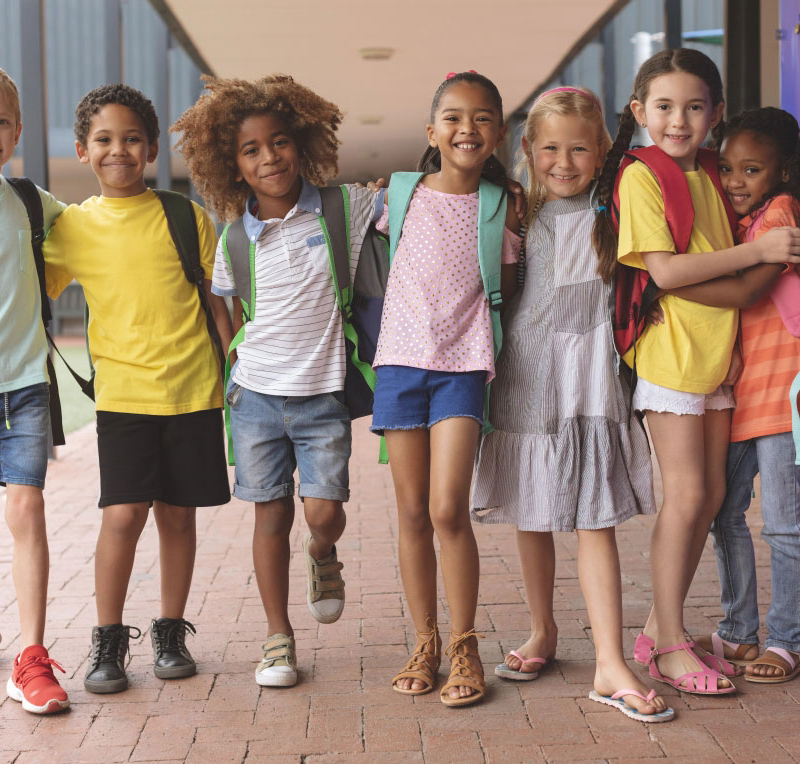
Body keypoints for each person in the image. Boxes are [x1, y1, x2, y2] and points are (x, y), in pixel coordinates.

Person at [591, 48, 800, 696]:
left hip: (718, 362)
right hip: (674, 358)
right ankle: (674, 645)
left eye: (693, 107)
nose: (678, 119)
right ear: (638, 111)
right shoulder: (642, 176)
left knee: (709, 499)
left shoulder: (715, 170)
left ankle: (659, 631)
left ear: (714, 113)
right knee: (685, 499)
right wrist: (760, 251)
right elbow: (666, 273)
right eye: (664, 106)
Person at [171, 75, 383, 688]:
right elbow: (229, 314)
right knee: (269, 518)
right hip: (257, 399)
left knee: (323, 513)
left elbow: (416, 205)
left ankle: (323, 555)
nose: (270, 158)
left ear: (302, 142)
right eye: (251, 150)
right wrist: (231, 380)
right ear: (232, 165)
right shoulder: (236, 236)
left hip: (322, 399)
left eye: (280, 141)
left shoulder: (346, 208)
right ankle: (278, 638)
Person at [470, 86, 672, 722]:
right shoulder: (517, 216)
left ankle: (610, 661)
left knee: (593, 516)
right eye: (550, 148)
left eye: (579, 148)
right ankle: (543, 630)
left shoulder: (615, 210)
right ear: (528, 151)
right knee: (532, 509)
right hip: (527, 376)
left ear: (603, 150)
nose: (564, 161)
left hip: (588, 380)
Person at [43, 84, 233, 694]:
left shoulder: (185, 215)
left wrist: (236, 370)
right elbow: (28, 285)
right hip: (122, 398)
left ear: (151, 148)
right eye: (103, 140)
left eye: (130, 139)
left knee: (178, 516)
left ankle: (171, 632)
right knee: (122, 515)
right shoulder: (72, 228)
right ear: (81, 150)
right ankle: (107, 640)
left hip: (193, 390)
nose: (117, 150)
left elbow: (216, 301)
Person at [371, 71, 521, 707]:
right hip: (399, 366)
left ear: (498, 132)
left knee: (446, 509)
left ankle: (465, 642)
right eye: (454, 118)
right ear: (431, 132)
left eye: (483, 117)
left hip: (464, 367)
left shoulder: (503, 205)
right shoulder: (397, 195)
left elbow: (509, 290)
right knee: (409, 512)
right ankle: (424, 640)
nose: (468, 128)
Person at [667, 107, 800, 684]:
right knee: (723, 509)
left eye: (752, 169)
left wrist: (669, 280)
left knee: (785, 526)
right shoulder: (742, 227)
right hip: (745, 396)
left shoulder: (780, 218)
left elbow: (744, 289)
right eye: (727, 168)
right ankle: (740, 632)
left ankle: (787, 639)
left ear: (783, 175)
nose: (736, 180)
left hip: (785, 395)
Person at [0, 62, 70, 715]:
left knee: (27, 511)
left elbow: (98, 235)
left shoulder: (29, 202)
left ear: (16, 130)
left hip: (22, 387)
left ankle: (32, 657)